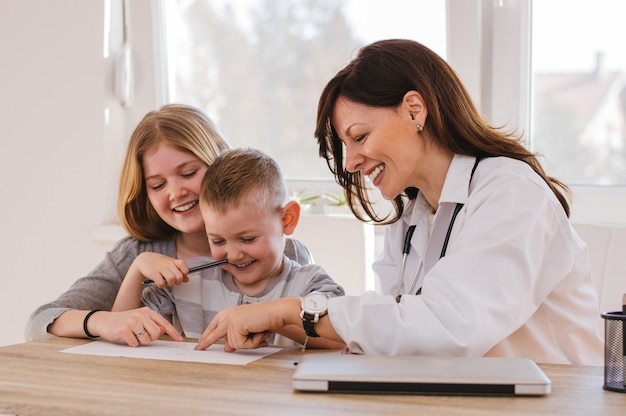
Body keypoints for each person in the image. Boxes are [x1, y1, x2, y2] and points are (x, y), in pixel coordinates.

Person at [195, 39, 604, 366]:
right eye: (345, 145)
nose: (352, 161)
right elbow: (398, 331)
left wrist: (293, 310)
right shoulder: (410, 219)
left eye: (359, 137)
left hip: (558, 400)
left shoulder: (509, 192)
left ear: (413, 109)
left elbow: (451, 327)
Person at [25, 104, 313, 346]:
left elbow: (325, 334)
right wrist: (105, 320)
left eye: (188, 173)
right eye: (158, 184)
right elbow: (39, 323)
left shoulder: (286, 254)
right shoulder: (138, 252)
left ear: (218, 164)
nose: (175, 193)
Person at [112, 147, 345, 349]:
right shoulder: (186, 283)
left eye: (248, 239)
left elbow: (343, 338)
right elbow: (123, 336)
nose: (233, 255)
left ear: (287, 219)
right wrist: (136, 271)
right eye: (218, 241)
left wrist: (275, 318)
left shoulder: (311, 283)